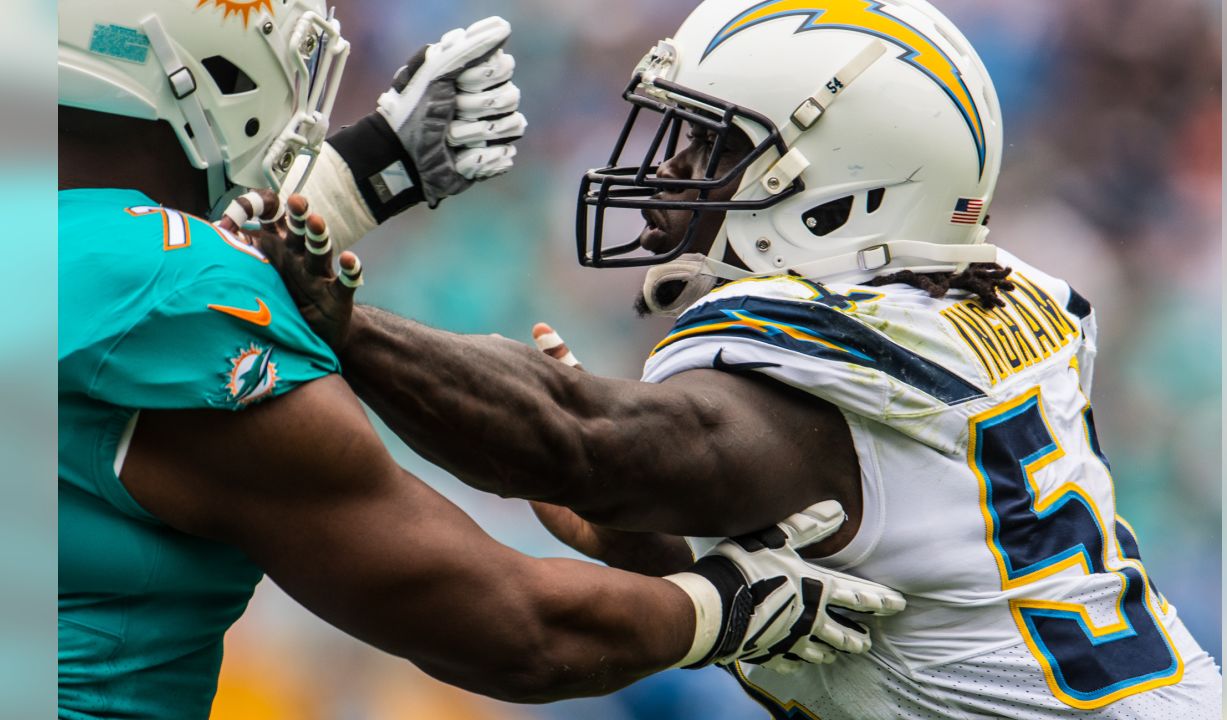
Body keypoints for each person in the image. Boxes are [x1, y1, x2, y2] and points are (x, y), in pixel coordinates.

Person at [264, 0, 1223, 717]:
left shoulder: (834, 367)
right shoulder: (987, 297)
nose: (673, 169)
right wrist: (626, 526)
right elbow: (628, 481)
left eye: (714, 145)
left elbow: (575, 442)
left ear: (848, 188)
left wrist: (343, 323)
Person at [56, 2, 906, 718]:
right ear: (209, 67)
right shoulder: (175, 298)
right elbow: (516, 633)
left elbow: (82, 273)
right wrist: (720, 606)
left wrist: (357, 182)